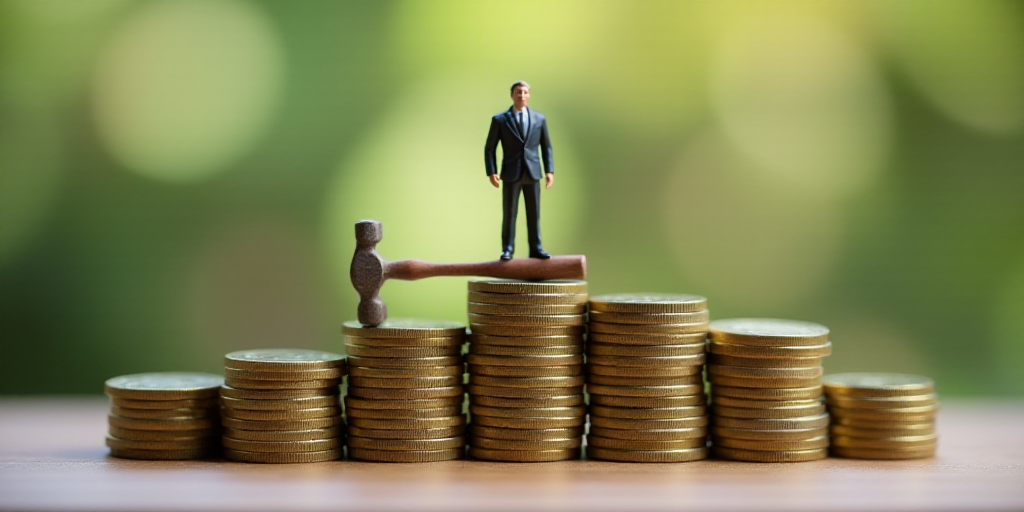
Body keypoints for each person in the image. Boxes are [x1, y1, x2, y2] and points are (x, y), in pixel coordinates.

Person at [484, 81, 554, 261]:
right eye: (517, 92)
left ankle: (536, 248)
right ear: (512, 95)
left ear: (528, 95)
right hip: (511, 172)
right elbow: (490, 148)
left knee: (534, 213)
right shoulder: (500, 120)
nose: (521, 95)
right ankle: (507, 248)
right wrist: (491, 171)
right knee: (510, 212)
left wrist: (549, 170)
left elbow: (546, 147)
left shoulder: (539, 119)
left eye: (524, 92)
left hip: (532, 171)